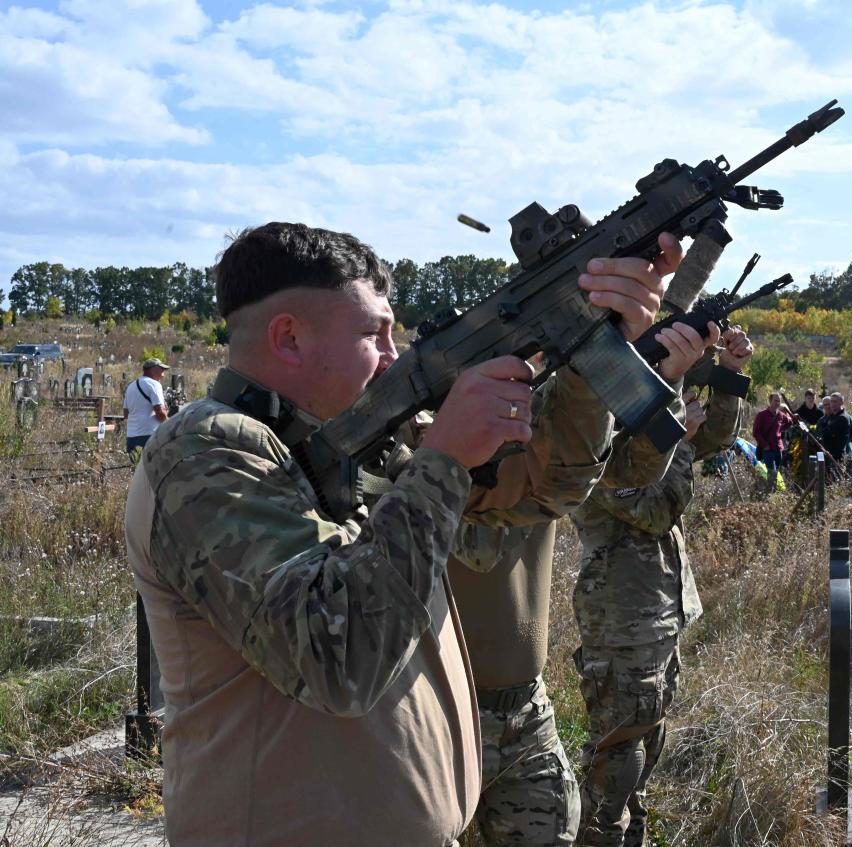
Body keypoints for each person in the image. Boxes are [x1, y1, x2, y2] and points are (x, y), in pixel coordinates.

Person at [124, 221, 683, 847]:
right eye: (373, 333)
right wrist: (444, 459)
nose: (395, 355)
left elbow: (543, 488)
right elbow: (340, 659)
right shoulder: (206, 451)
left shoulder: (362, 443)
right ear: (288, 337)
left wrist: (587, 343)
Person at [449, 327, 749, 847]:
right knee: (617, 751)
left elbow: (708, 441)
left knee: (642, 742)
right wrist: (673, 428)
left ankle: (620, 832)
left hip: (644, 616)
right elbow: (655, 508)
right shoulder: (570, 459)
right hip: (619, 613)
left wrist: (728, 377)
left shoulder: (594, 445)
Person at [571, 381, 743, 847]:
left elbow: (717, 438)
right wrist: (680, 441)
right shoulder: (599, 453)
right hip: (622, 623)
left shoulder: (645, 442)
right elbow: (657, 510)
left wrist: (729, 377)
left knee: (643, 758)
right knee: (615, 764)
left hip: (659, 617)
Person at [122, 357, 170, 455]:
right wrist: (169, 423)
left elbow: (126, 413)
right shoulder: (154, 384)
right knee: (155, 469)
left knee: (135, 468)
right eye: (161, 368)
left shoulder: (131, 386)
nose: (163, 371)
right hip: (150, 435)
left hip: (131, 437)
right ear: (153, 369)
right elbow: (160, 413)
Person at [752, 393, 794, 489]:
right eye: (775, 400)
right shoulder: (761, 415)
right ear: (770, 401)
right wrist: (765, 445)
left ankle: (775, 491)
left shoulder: (781, 415)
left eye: (779, 401)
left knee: (778, 471)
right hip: (768, 449)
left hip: (778, 448)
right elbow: (756, 433)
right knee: (772, 472)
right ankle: (771, 493)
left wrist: (782, 428)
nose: (777, 403)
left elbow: (790, 422)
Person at [815, 392, 852, 482]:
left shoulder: (843, 418)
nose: (832, 404)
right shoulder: (832, 417)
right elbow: (820, 432)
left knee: (838, 481)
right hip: (829, 455)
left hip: (837, 457)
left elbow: (827, 432)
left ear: (841, 402)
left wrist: (824, 431)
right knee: (828, 482)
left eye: (835, 402)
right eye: (832, 402)